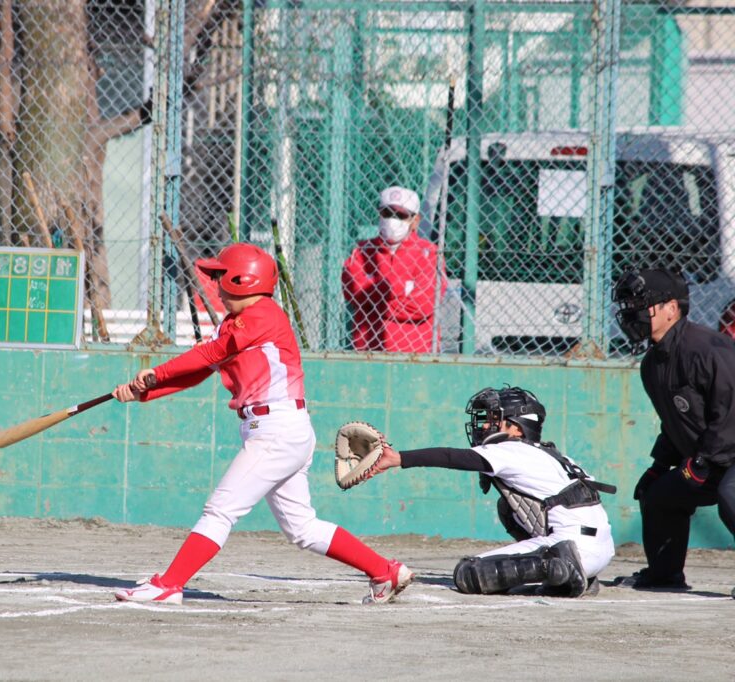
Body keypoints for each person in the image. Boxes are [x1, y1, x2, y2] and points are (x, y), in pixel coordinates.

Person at [112, 242, 414, 605]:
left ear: (244, 279)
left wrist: (157, 372)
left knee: (220, 510)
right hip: (282, 430)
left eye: (223, 277)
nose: (218, 285)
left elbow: (207, 354)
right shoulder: (235, 325)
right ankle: (385, 571)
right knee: (302, 528)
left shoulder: (263, 314)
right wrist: (145, 390)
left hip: (276, 431)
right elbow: (200, 370)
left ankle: (169, 584)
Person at [361, 386, 616, 598]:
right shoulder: (553, 454)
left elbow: (452, 457)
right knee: (507, 508)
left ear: (516, 428)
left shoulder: (510, 449)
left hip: (572, 548)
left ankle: (559, 568)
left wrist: (398, 458)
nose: (484, 426)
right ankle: (567, 572)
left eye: (495, 419)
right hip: (601, 550)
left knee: (468, 573)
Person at [612, 268, 735, 592]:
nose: (631, 312)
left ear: (671, 308)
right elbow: (676, 424)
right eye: (628, 305)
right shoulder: (653, 364)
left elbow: (731, 413)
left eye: (641, 304)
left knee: (731, 493)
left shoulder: (707, 349)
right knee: (658, 495)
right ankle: (664, 575)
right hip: (716, 458)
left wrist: (704, 461)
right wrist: (659, 466)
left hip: (728, 456)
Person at [341, 185, 444, 353]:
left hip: (415, 354)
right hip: (368, 351)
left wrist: (373, 302)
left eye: (400, 215)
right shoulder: (361, 251)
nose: (392, 219)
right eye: (387, 213)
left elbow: (423, 306)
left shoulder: (429, 254)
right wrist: (402, 289)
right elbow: (353, 293)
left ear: (415, 220)